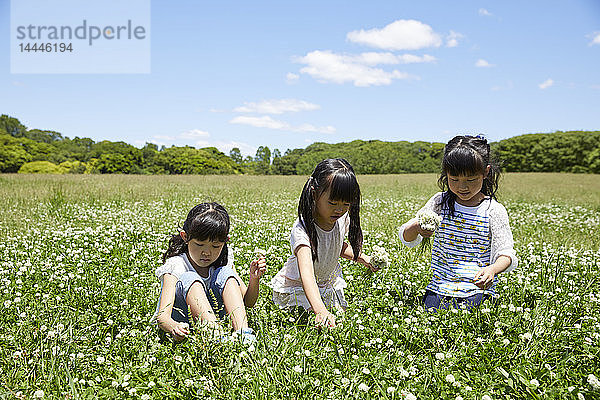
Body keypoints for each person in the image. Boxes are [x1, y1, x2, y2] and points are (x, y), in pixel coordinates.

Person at [399, 135, 518, 311]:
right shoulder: (440, 202)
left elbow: (506, 254)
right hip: (440, 286)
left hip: (477, 288)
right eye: (454, 179)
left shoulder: (493, 210)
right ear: (446, 174)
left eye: (471, 180)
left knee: (470, 320)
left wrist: (492, 269)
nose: (462, 187)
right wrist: (417, 227)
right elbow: (406, 237)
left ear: (485, 172)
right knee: (432, 318)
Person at [270, 158, 379, 328]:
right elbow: (306, 274)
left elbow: (337, 246)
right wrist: (320, 310)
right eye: (333, 203)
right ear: (314, 194)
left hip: (327, 284)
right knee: (307, 320)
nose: (339, 209)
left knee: (340, 318)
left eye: (346, 204)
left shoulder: (342, 219)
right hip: (300, 287)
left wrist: (363, 258)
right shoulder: (303, 229)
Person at [153, 202, 266, 343]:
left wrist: (254, 279)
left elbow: (247, 302)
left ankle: (243, 334)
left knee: (225, 272)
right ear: (185, 237)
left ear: (225, 242)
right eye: (199, 244)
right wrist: (174, 327)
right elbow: (162, 316)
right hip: (184, 322)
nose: (207, 252)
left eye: (215, 246)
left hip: (214, 317)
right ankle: (218, 337)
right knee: (190, 278)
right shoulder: (176, 265)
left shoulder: (224, 259)